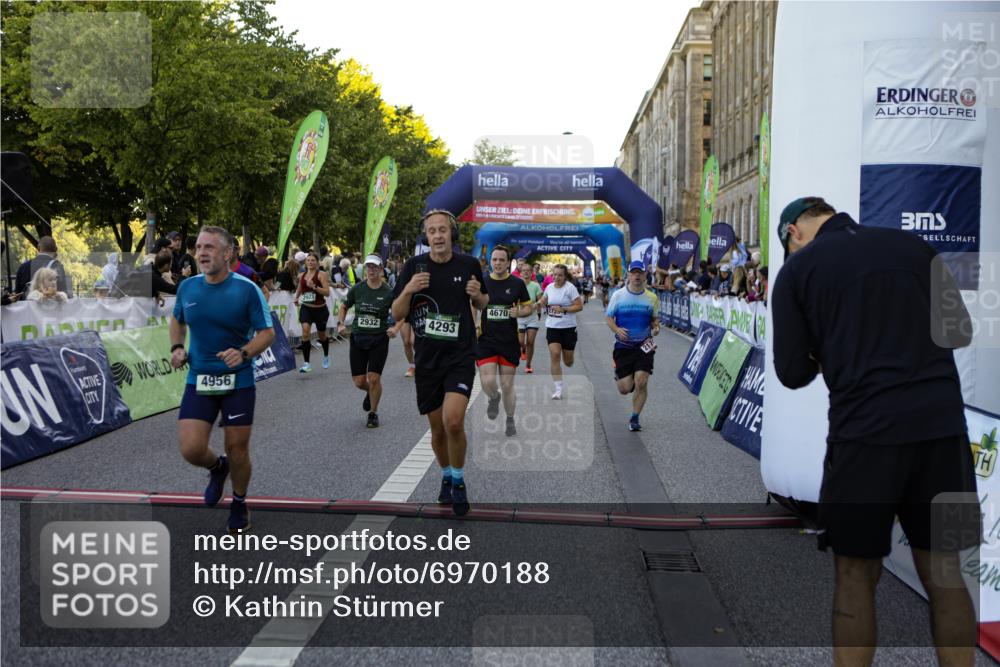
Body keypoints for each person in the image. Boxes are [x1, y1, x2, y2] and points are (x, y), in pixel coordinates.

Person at [772, 196, 978, 665]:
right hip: (943, 433)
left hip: (865, 437)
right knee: (947, 576)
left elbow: (791, 373)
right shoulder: (916, 247)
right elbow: (958, 331)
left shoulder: (798, 271)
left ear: (794, 234)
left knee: (855, 577)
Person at [169, 226, 275, 533]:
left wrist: (243, 354)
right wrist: (177, 347)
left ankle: (239, 502)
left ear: (228, 254)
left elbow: (267, 333)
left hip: (237, 380)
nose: (201, 253)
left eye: (209, 248)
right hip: (199, 377)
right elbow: (177, 318)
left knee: (238, 448)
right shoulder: (188, 288)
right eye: (199, 247)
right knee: (191, 449)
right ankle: (218, 467)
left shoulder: (246, 289)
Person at [392, 209, 488, 516]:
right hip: (427, 358)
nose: (437, 236)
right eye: (432, 231)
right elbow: (396, 313)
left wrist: (478, 296)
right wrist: (408, 289)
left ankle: (458, 481)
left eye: (442, 230)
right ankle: (446, 474)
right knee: (436, 430)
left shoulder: (469, 264)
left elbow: (484, 301)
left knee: (453, 422)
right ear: (426, 237)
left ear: (452, 234)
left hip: (460, 354)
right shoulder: (413, 266)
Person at [338, 255, 402, 428]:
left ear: (381, 269)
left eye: (375, 267)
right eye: (369, 267)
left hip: (379, 339)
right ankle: (371, 392)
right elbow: (344, 306)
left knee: (373, 378)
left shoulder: (389, 292)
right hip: (358, 337)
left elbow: (401, 313)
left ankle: (373, 413)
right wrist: (340, 323)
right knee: (359, 382)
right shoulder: (357, 289)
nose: (371, 270)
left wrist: (395, 328)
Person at [477, 246, 532, 437]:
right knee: (488, 380)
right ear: (491, 262)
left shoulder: (517, 284)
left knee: (508, 385)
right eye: (495, 260)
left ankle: (510, 419)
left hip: (508, 341)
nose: (498, 263)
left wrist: (519, 312)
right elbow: (473, 306)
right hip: (486, 340)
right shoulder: (482, 283)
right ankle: (494, 397)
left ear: (508, 263)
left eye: (502, 260)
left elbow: (528, 308)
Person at [606, 260, 660, 431]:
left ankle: (635, 417)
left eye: (640, 273)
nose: (637, 275)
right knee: (625, 388)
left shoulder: (652, 297)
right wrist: (616, 329)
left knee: (641, 382)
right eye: (633, 272)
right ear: (628, 275)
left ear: (645, 275)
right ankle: (619, 373)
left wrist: (656, 327)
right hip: (623, 346)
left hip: (644, 345)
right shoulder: (618, 295)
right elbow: (609, 318)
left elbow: (654, 319)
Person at [539, 264, 583, 400]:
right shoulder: (549, 287)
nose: (556, 277)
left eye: (560, 275)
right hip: (552, 327)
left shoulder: (570, 288)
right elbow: (544, 300)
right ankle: (558, 389)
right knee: (555, 354)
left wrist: (564, 310)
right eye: (555, 274)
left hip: (569, 328)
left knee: (568, 361)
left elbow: (579, 306)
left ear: (565, 276)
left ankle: (569, 358)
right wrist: (537, 304)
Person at [293, 252, 331, 372]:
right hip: (306, 308)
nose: (310, 262)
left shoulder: (322, 275)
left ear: (317, 262)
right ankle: (306, 363)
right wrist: (296, 297)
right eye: (308, 260)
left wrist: (314, 287)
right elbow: (300, 287)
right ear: (305, 262)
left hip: (320, 309)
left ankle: (325, 355)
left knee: (322, 336)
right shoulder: (302, 275)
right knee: (305, 332)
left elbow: (327, 292)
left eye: (313, 260)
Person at [515, 259, 544, 374]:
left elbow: (541, 300)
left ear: (532, 272)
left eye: (528, 271)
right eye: (524, 271)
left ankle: (528, 364)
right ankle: (523, 349)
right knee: (521, 342)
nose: (526, 272)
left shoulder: (535, 285)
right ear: (520, 272)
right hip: (519, 317)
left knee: (531, 342)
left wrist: (536, 307)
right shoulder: (516, 284)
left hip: (532, 317)